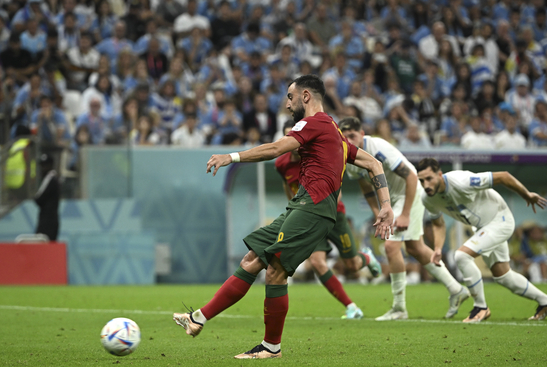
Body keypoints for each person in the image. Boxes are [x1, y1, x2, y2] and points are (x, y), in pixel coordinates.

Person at [173, 74, 394, 359]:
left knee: (275, 270)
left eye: (290, 97)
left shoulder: (313, 123)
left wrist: (232, 157)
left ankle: (270, 348)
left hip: (314, 207)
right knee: (252, 260)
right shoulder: (333, 131)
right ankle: (198, 318)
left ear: (305, 96)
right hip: (302, 204)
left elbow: (277, 148)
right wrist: (385, 205)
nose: (287, 105)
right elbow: (372, 162)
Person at [339, 117, 468, 321]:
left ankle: (399, 308)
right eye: (344, 137)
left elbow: (411, 176)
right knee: (415, 248)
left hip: (408, 193)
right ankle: (456, 289)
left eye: (352, 136)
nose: (349, 140)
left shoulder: (378, 148)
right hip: (391, 201)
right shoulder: (349, 158)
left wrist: (405, 213)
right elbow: (366, 186)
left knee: (391, 247)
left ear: (362, 134)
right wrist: (377, 212)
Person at [416, 158, 547, 322]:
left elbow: (503, 176)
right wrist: (438, 248)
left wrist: (527, 195)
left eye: (429, 178)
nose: (426, 185)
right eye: (421, 180)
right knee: (504, 277)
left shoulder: (461, 181)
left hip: (499, 220)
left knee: (461, 256)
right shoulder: (427, 198)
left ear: (439, 174)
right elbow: (438, 224)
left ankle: (480, 307)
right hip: (483, 228)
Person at [275, 120, 382, 319]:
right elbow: (287, 186)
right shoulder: (281, 164)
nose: (295, 143)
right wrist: (293, 208)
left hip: (333, 214)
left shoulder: (316, 156)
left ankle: (365, 257)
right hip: (307, 216)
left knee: (352, 265)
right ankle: (351, 307)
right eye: (289, 138)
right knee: (317, 262)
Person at [34, 154, 60, 241]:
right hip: (48, 218)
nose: (43, 168)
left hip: (48, 220)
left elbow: (39, 198)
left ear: (51, 165)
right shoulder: (51, 178)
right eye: (42, 165)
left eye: (45, 165)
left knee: (42, 244)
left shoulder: (50, 178)